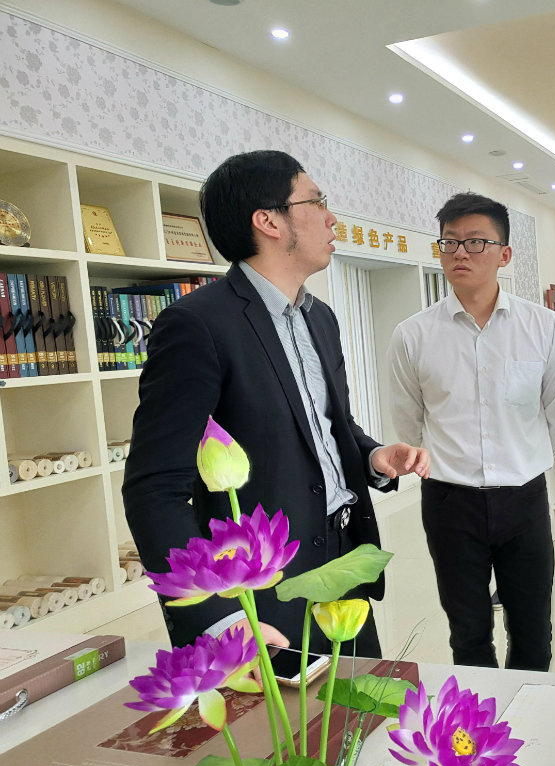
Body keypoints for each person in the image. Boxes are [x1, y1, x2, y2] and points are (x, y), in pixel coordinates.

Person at [123, 150, 429, 656]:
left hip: (342, 559)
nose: (332, 218)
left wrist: (373, 456)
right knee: (287, 710)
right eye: (316, 202)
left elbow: (324, 428)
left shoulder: (319, 318)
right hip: (258, 587)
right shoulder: (198, 324)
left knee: (358, 701)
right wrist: (220, 621)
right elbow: (153, 489)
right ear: (268, 221)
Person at [387, 192, 555, 671]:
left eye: (475, 242)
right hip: (450, 502)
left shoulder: (544, 327)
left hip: (524, 497)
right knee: (467, 631)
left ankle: (528, 707)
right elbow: (409, 420)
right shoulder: (413, 334)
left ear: (504, 254)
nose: (460, 253)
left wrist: (524, 457)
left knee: (533, 628)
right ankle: (479, 714)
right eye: (449, 243)